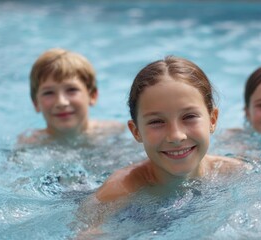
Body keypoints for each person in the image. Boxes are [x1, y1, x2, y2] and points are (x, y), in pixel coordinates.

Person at [77, 56, 248, 235]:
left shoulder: (236, 173)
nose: (176, 136)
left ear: (212, 120)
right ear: (136, 131)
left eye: (189, 117)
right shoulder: (118, 191)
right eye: (157, 121)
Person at [18, 48, 125, 145]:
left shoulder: (113, 132)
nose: (61, 102)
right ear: (35, 103)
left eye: (71, 90)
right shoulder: (30, 144)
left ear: (92, 95)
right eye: (48, 93)